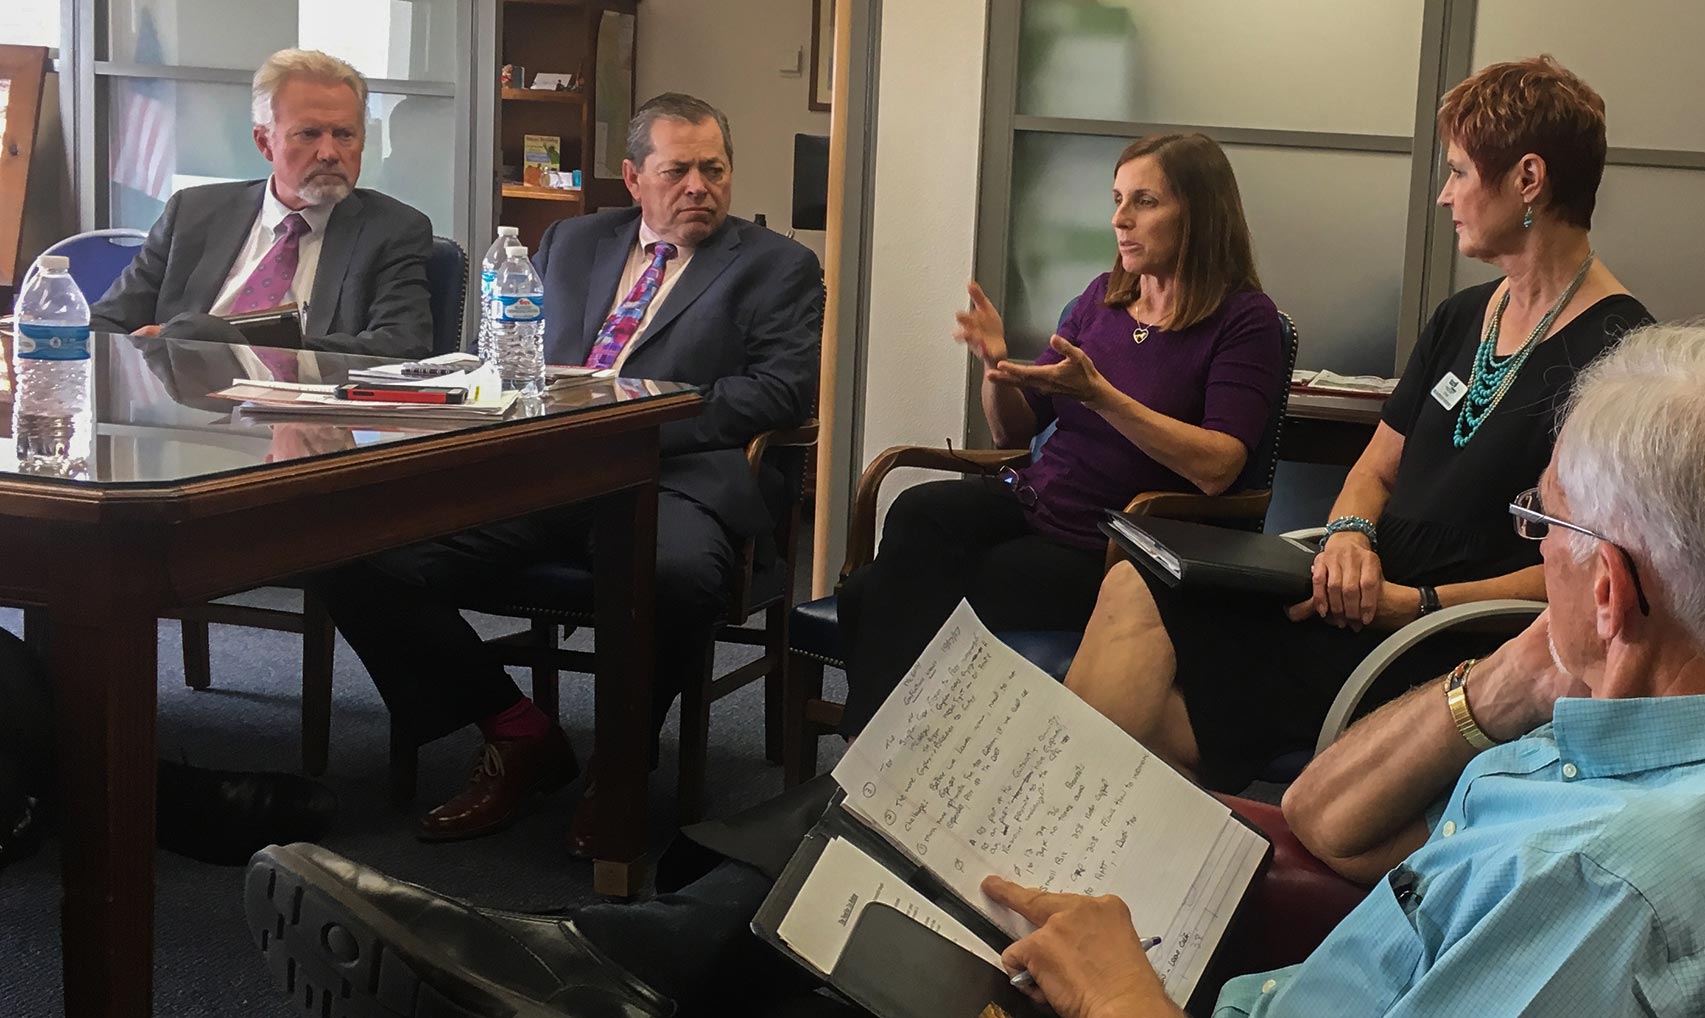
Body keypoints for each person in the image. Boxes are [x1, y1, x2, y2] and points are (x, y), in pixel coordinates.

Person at [243, 320, 1705, 1018]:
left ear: (1622, 587)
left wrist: (1133, 1009)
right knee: (882, 825)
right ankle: (564, 978)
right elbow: (1314, 818)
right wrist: (1512, 672)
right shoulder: (1684, 727)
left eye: (1546, 526)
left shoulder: (1622, 895)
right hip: (1230, 1013)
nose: (1531, 548)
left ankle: (564, 1010)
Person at [1066, 55, 1653, 790]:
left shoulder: (1620, 354)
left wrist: (1416, 604)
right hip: (1360, 596)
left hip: (1452, 635)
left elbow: (1594, 574)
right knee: (1137, 584)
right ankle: (1086, 836)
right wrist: (1348, 536)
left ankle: (1061, 838)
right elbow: (1375, 470)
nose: (1444, 196)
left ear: (1528, 180)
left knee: (1145, 716)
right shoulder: (1463, 317)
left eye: (1461, 172)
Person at [313, 93, 821, 851]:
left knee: (674, 576)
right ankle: (520, 734)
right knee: (356, 550)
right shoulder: (573, 242)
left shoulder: (777, 265)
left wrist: (635, 418)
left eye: (714, 170)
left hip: (675, 472)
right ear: (633, 178)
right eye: (677, 170)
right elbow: (511, 356)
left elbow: (782, 391)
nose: (699, 187)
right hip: (546, 469)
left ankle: (618, 766)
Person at [838, 131, 1287, 731]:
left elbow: (1219, 466)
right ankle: (895, 751)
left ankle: (874, 754)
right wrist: (997, 368)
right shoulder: (1101, 299)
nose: (1119, 219)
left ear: (1200, 212)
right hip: (1033, 501)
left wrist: (1104, 398)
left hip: (1113, 540)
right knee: (919, 510)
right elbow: (1014, 432)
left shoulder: (1244, 320)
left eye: (1144, 202)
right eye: (1117, 199)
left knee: (876, 592)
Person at [92, 49, 434, 360]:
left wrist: (229, 342)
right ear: (264, 142)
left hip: (305, 414)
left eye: (344, 134)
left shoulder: (392, 229)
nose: (330, 153)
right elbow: (108, 321)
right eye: (309, 133)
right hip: (184, 410)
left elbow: (400, 346)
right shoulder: (193, 212)